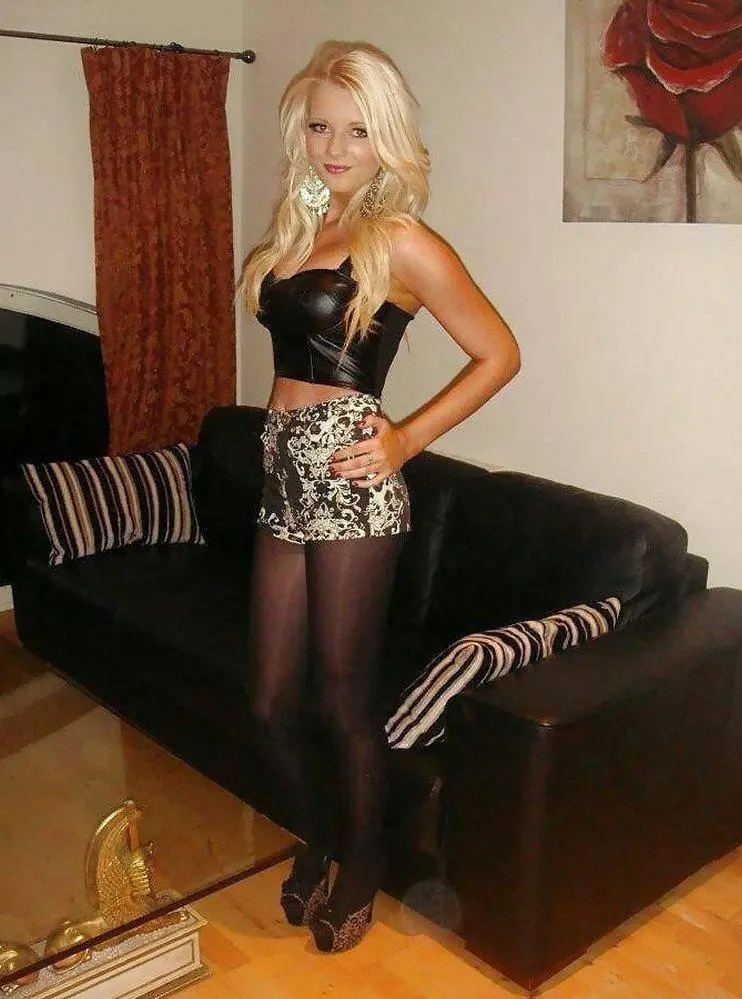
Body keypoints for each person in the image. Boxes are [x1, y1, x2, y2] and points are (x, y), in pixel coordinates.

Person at [239, 39, 520, 954]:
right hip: (284, 473)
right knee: (270, 701)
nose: (334, 146)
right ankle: (321, 834)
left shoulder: (400, 240)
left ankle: (361, 860)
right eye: (321, 126)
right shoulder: (300, 229)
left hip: (353, 485)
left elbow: (499, 353)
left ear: (386, 137)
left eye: (357, 130)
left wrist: (403, 439)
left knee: (342, 700)